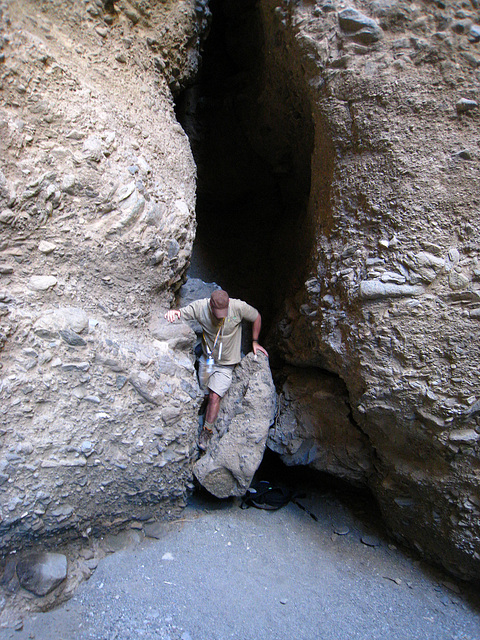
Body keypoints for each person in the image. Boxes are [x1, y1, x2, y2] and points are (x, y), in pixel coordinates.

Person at [164, 289, 268, 450]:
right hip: (207, 360)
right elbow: (180, 313)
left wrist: (255, 341)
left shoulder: (238, 307)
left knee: (214, 396)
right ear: (210, 305)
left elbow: (256, 317)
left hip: (226, 364)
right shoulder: (200, 307)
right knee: (204, 392)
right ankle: (202, 405)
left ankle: (207, 430)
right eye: (217, 312)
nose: (221, 315)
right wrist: (173, 313)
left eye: (224, 311)